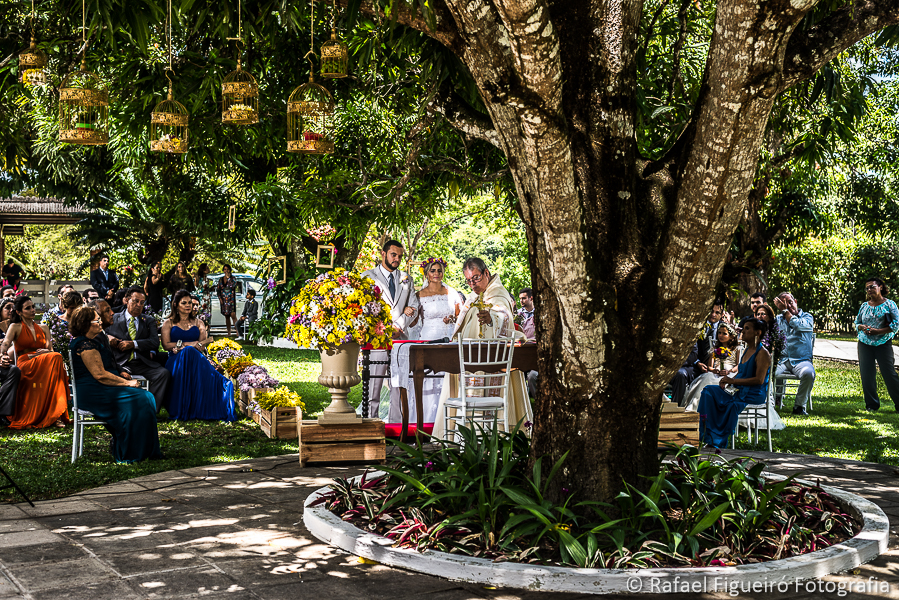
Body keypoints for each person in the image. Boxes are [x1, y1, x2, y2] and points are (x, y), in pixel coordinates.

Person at [68, 306, 163, 463]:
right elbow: (100, 375)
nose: (100, 322)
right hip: (93, 391)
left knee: (146, 397)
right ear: (86, 324)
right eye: (97, 320)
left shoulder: (92, 341)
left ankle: (145, 450)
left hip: (102, 387)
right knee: (140, 398)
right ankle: (131, 451)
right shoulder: (84, 345)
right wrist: (127, 383)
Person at [388, 258, 463, 424]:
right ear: (427, 273)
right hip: (428, 339)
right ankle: (425, 421)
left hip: (448, 340)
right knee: (428, 378)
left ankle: (448, 422)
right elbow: (414, 322)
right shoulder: (419, 295)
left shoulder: (452, 293)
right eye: (433, 270)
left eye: (439, 270)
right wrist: (407, 311)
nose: (437, 273)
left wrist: (452, 318)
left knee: (447, 378)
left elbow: (461, 318)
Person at [360, 240, 420, 418]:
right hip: (376, 340)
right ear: (383, 254)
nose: (397, 259)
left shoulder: (407, 279)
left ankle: (397, 428)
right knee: (373, 387)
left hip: (401, 339)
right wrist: (387, 328)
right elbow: (364, 308)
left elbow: (414, 307)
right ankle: (371, 427)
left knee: (399, 387)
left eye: (400, 256)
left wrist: (399, 325)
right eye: (394, 255)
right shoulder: (368, 277)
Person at [161, 289, 236, 421]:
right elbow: (166, 345)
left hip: (196, 360)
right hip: (175, 360)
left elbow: (202, 345)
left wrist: (191, 345)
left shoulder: (199, 323)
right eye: (184, 303)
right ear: (175, 304)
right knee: (189, 351)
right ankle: (181, 406)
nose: (188, 305)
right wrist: (188, 345)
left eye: (190, 302)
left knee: (191, 352)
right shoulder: (169, 323)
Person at [697, 318, 771, 448]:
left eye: (747, 328)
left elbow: (759, 380)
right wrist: (728, 382)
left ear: (757, 333)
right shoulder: (747, 350)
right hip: (738, 391)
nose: (743, 330)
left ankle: (718, 441)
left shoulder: (763, 353)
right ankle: (708, 435)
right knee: (708, 391)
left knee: (731, 405)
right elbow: (741, 372)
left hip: (753, 395)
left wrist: (733, 380)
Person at [0, 296, 69, 429]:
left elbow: (51, 350)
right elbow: (6, 343)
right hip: (26, 363)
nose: (33, 310)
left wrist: (45, 353)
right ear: (19, 312)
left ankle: (55, 414)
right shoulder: (15, 326)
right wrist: (2, 354)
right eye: (28, 308)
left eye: (33, 306)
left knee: (56, 357)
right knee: (56, 358)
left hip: (45, 360)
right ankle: (55, 415)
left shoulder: (44, 328)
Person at [105, 287, 172, 411]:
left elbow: (154, 342)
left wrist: (133, 344)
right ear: (126, 300)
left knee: (163, 374)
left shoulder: (148, 320)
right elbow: (98, 333)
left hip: (142, 362)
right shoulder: (113, 318)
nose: (139, 305)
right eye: (136, 301)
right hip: (119, 363)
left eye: (142, 302)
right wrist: (107, 337)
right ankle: (120, 410)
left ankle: (150, 410)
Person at [854, 277, 899, 412]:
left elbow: (896, 325)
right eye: (867, 288)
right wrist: (862, 327)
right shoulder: (864, 306)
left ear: (880, 287)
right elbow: (857, 322)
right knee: (867, 374)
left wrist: (877, 331)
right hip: (864, 343)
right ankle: (871, 405)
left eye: (872, 287)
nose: (869, 290)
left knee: (889, 373)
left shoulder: (890, 305)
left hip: (883, 343)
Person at [452, 257, 518, 340]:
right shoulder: (473, 296)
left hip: (489, 349)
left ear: (486, 273)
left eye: (476, 278)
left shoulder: (498, 294)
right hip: (468, 348)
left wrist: (491, 320)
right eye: (468, 280)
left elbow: (504, 316)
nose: (472, 284)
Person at [683, 322, 742, 411]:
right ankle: (695, 408)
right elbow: (710, 366)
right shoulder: (714, 349)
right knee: (707, 378)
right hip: (716, 372)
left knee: (723, 382)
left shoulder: (736, 348)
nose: (720, 335)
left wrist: (729, 371)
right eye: (719, 333)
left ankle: (717, 409)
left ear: (731, 336)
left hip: (730, 373)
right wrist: (715, 370)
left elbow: (738, 365)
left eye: (724, 333)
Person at [773, 292, 815, 416]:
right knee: (767, 372)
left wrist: (785, 311)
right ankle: (770, 403)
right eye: (784, 304)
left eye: (790, 302)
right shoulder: (778, 320)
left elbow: (798, 326)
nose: (788, 305)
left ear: (795, 301)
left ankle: (799, 406)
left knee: (809, 373)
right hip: (782, 360)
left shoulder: (807, 317)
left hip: (802, 360)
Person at [0, 300, 21, 427]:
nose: (11, 310)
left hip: (11, 362)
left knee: (14, 370)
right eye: (7, 308)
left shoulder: (18, 326)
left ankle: (2, 413)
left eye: (14, 308)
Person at [216, 264, 238, 337]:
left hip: (231, 300)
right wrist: (220, 299)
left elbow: (233, 285)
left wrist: (228, 278)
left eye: (227, 269)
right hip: (224, 300)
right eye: (225, 269)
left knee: (233, 315)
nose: (226, 271)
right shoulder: (221, 279)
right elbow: (218, 290)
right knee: (227, 316)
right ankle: (229, 332)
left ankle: (238, 332)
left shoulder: (233, 278)